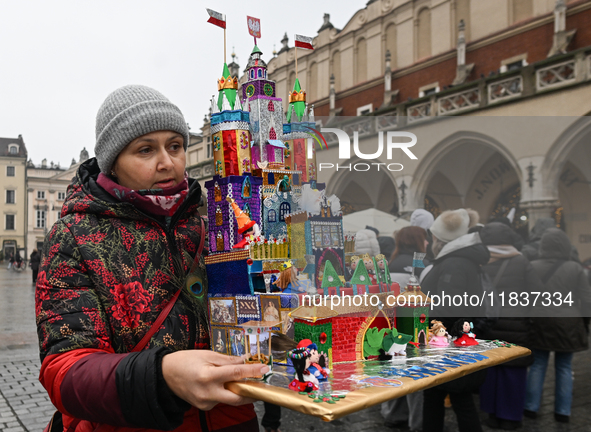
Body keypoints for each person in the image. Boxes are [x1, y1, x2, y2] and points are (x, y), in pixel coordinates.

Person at [35, 85, 264, 432]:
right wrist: (161, 376)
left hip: (231, 422)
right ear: (113, 163)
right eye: (145, 150)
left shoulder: (213, 228)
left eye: (175, 146)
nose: (167, 162)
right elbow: (65, 371)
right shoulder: (74, 237)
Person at [420, 209, 490, 432]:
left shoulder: (455, 263)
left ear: (440, 239)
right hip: (450, 342)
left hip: (447, 344)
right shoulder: (456, 260)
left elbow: (449, 307)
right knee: (446, 397)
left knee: (456, 398)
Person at [478, 222, 543, 430]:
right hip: (516, 325)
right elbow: (538, 294)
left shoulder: (480, 262)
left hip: (488, 324)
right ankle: (511, 417)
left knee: (491, 371)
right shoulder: (521, 260)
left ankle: (492, 415)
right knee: (513, 372)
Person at [524, 228, 591, 424]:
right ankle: (562, 411)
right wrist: (584, 322)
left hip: (539, 320)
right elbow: (587, 299)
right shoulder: (575, 268)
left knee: (537, 365)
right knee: (564, 366)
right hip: (568, 322)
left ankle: (531, 407)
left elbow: (525, 297)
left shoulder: (532, 266)